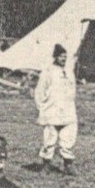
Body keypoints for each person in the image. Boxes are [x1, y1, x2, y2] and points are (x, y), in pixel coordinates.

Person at [31, 45, 77, 175]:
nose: (64, 58)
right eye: (61, 56)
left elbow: (73, 89)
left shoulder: (69, 71)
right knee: (50, 138)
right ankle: (46, 165)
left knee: (68, 137)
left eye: (65, 56)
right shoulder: (48, 72)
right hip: (52, 110)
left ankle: (68, 165)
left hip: (68, 110)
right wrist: (42, 108)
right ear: (56, 57)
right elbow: (40, 91)